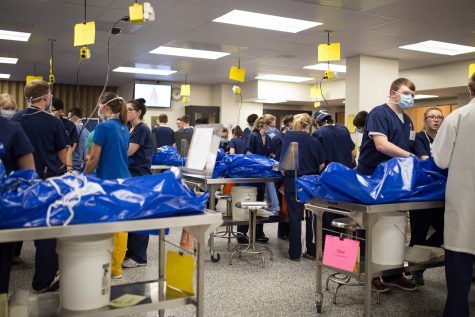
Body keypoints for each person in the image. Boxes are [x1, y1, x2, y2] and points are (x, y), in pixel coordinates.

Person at [357, 77, 417, 292]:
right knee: (373, 225)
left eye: (412, 94)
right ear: (393, 93)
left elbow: (407, 143)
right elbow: (382, 145)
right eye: (406, 93)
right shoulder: (379, 113)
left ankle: (394, 272)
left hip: (396, 179)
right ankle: (372, 274)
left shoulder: (407, 120)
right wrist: (411, 157)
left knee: (395, 226)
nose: (410, 97)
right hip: (374, 176)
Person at [12, 80, 68, 292]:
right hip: (46, 182)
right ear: (46, 97)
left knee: (14, 228)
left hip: (18, 183)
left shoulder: (15, 119)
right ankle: (43, 281)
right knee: (47, 232)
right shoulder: (53, 122)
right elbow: (63, 157)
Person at [432, 73, 475, 317]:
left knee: (459, 283)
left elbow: (441, 158)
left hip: (465, 202)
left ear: (470, 90)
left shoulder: (458, 117)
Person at [84, 92, 131, 279]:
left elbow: (94, 158)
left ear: (106, 107)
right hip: (124, 180)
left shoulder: (104, 127)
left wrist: (83, 176)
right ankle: (116, 267)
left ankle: (109, 267)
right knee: (120, 227)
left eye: (100, 105)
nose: (99, 108)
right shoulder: (124, 127)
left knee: (109, 225)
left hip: (109, 181)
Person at [0, 97, 35, 294]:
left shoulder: (11, 130)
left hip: (4, 210)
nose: (10, 111)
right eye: (7, 108)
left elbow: (28, 173)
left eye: (11, 108)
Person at [280, 113, 325, 261]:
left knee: (294, 217)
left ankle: (295, 253)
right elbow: (321, 165)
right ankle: (311, 251)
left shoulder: (289, 139)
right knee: (311, 217)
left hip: (293, 181)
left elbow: (283, 169)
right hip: (310, 183)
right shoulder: (315, 141)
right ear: (309, 125)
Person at [408, 107, 445, 285]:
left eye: (439, 117)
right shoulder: (419, 137)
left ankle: (419, 259)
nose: (436, 120)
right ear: (425, 119)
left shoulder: (444, 138)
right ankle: (416, 270)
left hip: (440, 193)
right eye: (432, 117)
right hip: (421, 193)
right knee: (418, 233)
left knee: (445, 230)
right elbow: (425, 161)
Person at [312, 109, 356, 243]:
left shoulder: (318, 134)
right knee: (343, 211)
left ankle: (328, 246)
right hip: (345, 178)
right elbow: (353, 153)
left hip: (328, 179)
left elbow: (318, 160)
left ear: (317, 122)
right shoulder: (344, 130)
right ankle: (343, 243)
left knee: (327, 212)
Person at [123, 98, 153, 268]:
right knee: (132, 216)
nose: (126, 112)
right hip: (132, 177)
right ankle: (131, 251)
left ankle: (139, 256)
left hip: (141, 178)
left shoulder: (142, 129)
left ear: (138, 112)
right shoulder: (130, 129)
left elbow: (129, 151)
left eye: (129, 110)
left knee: (141, 217)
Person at [236, 115, 275, 244]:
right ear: (263, 125)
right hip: (251, 174)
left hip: (262, 175)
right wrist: (260, 163)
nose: (273, 129)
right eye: (272, 126)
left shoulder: (269, 138)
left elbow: (269, 155)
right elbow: (248, 155)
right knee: (248, 202)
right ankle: (242, 233)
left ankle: (258, 232)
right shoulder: (253, 136)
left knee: (259, 204)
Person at [271, 114, 293, 241]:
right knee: (282, 204)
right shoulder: (278, 138)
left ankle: (286, 230)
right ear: (287, 124)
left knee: (288, 204)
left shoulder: (290, 137)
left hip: (288, 174)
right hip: (280, 174)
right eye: (293, 123)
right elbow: (276, 157)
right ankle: (283, 231)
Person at [51, 97, 79, 172]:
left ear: (60, 111)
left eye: (52, 111)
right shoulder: (44, 124)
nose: (50, 113)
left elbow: (70, 148)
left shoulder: (69, 125)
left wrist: (69, 167)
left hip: (63, 164)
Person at [67, 107, 90, 171]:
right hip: (83, 166)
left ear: (74, 118)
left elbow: (70, 149)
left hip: (74, 166)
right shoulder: (87, 131)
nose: (68, 120)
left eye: (69, 118)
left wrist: (69, 168)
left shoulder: (74, 129)